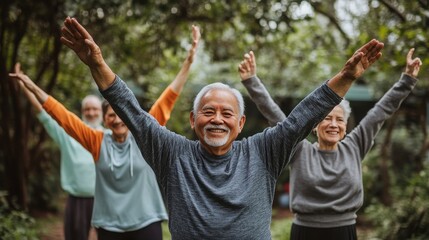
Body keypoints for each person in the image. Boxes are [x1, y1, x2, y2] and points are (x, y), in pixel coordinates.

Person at [60, 16, 383, 239]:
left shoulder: (264, 151)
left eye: (227, 113)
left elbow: (304, 116)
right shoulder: (172, 153)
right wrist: (98, 66)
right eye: (208, 111)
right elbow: (133, 113)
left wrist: (347, 78)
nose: (217, 119)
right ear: (193, 120)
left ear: (241, 124)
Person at [10, 24, 200, 240]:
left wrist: (189, 61)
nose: (117, 118)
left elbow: (169, 97)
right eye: (111, 114)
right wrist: (31, 86)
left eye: (121, 114)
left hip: (147, 221)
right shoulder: (96, 140)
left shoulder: (146, 134)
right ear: (105, 119)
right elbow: (63, 117)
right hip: (109, 226)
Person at [238, 49, 421, 239]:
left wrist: (407, 80)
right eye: (326, 118)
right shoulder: (300, 149)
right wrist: (252, 81)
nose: (334, 124)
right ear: (314, 126)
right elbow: (273, 113)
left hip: (344, 231)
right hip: (305, 231)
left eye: (339, 120)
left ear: (345, 125)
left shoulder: (355, 145)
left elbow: (381, 110)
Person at [12, 63, 102, 240]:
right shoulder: (68, 135)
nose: (91, 113)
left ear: (101, 112)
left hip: (105, 201)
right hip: (77, 200)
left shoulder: (109, 136)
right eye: (87, 109)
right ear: (82, 112)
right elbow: (43, 113)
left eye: (95, 109)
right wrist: (25, 87)